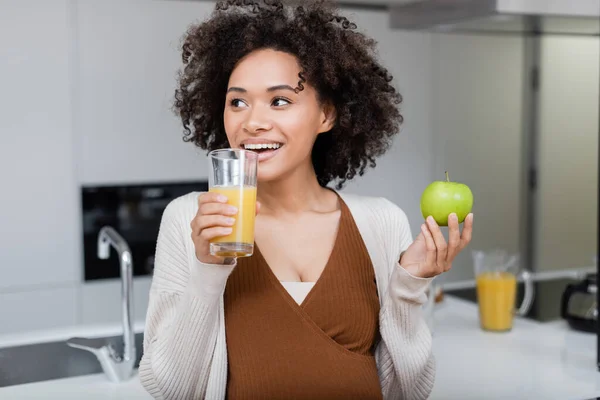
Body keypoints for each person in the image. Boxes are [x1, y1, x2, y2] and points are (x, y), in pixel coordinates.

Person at [139, 0, 474, 399]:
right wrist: (207, 270)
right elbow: (169, 390)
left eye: (280, 101)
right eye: (237, 101)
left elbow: (412, 391)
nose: (252, 121)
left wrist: (408, 286)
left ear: (326, 115)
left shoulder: (382, 222)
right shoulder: (191, 221)